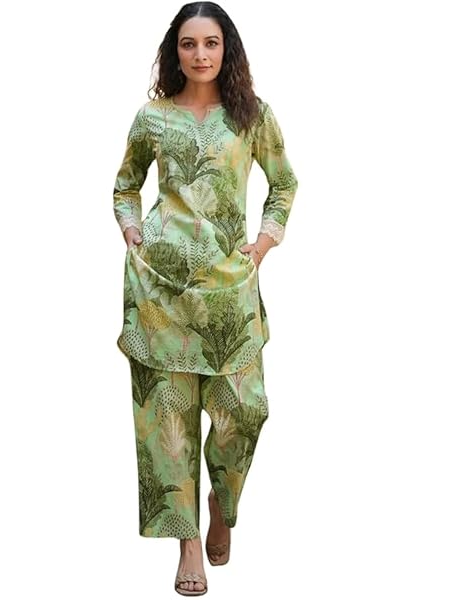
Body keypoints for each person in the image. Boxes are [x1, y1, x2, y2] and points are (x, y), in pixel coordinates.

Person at [112, 2, 298, 595]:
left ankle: (223, 504)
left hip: (228, 291)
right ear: (175, 51)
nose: (200, 55)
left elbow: (284, 183)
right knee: (166, 420)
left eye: (211, 43)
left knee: (243, 412)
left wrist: (263, 244)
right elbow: (125, 186)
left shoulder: (252, 116)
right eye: (188, 44)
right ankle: (188, 541)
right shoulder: (153, 117)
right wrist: (132, 230)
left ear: (227, 49)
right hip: (160, 295)